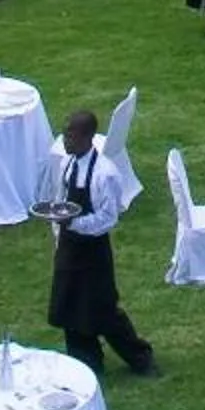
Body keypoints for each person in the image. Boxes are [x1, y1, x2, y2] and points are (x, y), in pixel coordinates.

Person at [42, 108, 156, 376]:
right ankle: (86, 364)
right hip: (69, 249)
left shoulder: (105, 174)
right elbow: (60, 202)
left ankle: (141, 358)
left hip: (93, 252)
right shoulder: (67, 164)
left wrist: (75, 224)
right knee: (70, 307)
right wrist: (60, 235)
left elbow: (107, 218)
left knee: (103, 310)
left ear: (86, 137)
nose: (65, 140)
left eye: (70, 135)